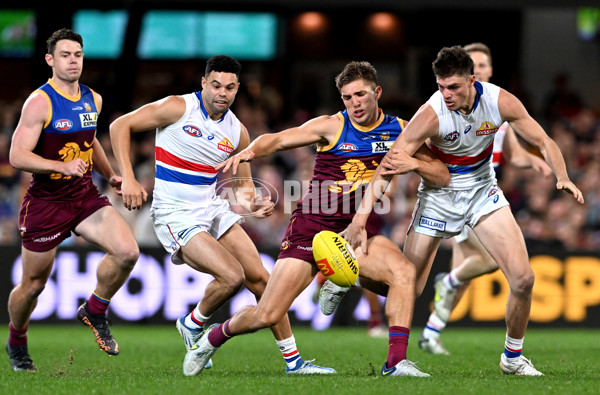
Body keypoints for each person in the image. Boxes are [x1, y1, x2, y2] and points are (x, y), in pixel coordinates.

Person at [187, 61, 450, 378]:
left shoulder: (401, 130)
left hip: (355, 230)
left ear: (377, 92)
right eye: (347, 97)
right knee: (267, 313)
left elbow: (442, 174)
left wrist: (414, 164)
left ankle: (395, 363)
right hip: (311, 229)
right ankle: (212, 338)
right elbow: (280, 139)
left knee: (404, 273)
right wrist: (251, 151)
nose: (355, 103)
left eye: (361, 95)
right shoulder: (332, 126)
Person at [338, 46, 584, 376]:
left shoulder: (499, 101)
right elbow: (387, 165)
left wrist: (563, 176)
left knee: (524, 280)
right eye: (441, 87)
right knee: (407, 285)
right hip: (438, 198)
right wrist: (359, 219)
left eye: (453, 87)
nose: (447, 94)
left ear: (471, 80)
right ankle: (346, 273)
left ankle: (512, 358)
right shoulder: (431, 113)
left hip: (483, 193)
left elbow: (542, 140)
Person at [109, 55, 334, 376]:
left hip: (213, 208)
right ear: (203, 83)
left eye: (229, 87)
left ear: (238, 89)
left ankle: (294, 363)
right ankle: (193, 323)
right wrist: (128, 176)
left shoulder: (239, 133)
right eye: (215, 85)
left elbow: (242, 186)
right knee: (232, 277)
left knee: (263, 281)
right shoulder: (178, 107)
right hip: (175, 213)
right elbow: (120, 125)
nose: (222, 93)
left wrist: (253, 203)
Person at [6, 28, 139, 372]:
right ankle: (17, 338)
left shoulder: (92, 98)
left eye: (77, 55)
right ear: (50, 60)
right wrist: (59, 165)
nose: (73, 61)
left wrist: (110, 174)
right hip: (46, 203)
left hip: (83, 197)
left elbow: (90, 139)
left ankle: (95, 309)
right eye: (65, 55)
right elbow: (17, 155)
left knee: (127, 252)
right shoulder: (40, 101)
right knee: (33, 285)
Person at [418, 42, 553, 356]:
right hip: (459, 193)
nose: (477, 70)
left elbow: (515, 153)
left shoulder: (497, 110)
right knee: (486, 262)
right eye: (472, 64)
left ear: (486, 73)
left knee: (467, 273)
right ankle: (445, 287)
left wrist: (532, 161)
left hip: (484, 193)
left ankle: (431, 331)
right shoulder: (447, 111)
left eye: (482, 65)